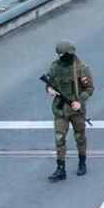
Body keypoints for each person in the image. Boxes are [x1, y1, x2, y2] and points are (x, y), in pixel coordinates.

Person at [44, 40, 93, 180]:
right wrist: (49, 89)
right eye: (59, 54)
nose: (61, 56)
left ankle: (82, 162)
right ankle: (60, 168)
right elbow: (48, 81)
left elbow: (89, 88)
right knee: (59, 138)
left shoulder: (80, 68)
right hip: (60, 109)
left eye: (63, 54)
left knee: (80, 136)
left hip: (76, 110)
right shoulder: (55, 67)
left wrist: (79, 101)